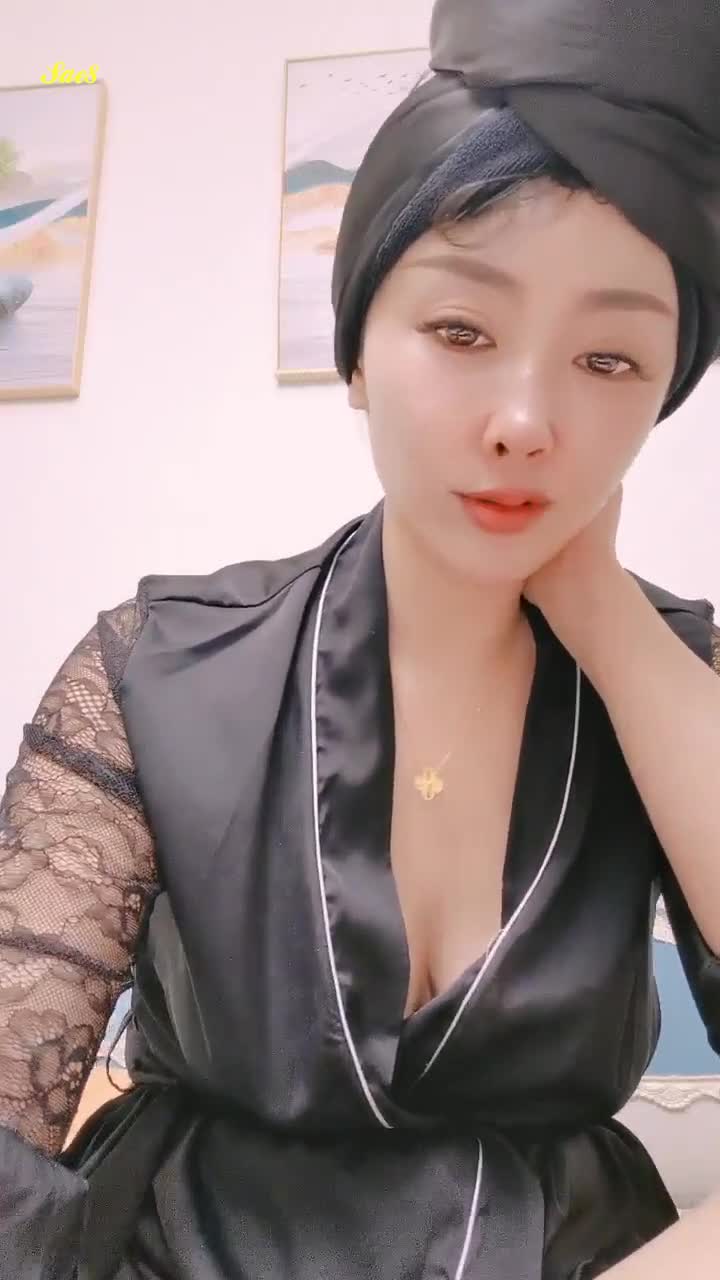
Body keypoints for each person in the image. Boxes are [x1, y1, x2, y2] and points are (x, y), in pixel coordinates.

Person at [2, 0, 720, 1275]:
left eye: (610, 360)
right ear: (356, 354)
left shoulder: (676, 678)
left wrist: (607, 616)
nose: (524, 420)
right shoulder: (154, 668)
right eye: (461, 331)